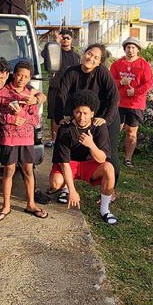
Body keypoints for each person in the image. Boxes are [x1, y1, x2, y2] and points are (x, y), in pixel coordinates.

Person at [54, 43, 120, 199]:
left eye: (96, 57)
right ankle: (68, 186)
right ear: (84, 54)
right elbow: (61, 96)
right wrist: (61, 118)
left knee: (110, 154)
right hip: (82, 114)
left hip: (105, 115)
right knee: (72, 144)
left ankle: (110, 190)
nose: (91, 58)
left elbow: (114, 97)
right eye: (89, 54)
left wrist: (105, 119)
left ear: (99, 62)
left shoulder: (102, 72)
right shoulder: (72, 72)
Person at [0, 57, 51, 205]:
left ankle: (31, 204)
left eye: (26, 76)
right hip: (8, 138)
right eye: (19, 75)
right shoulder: (1, 92)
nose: (22, 79)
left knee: (28, 170)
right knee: (8, 170)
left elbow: (35, 120)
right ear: (13, 74)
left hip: (27, 139)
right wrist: (11, 118)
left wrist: (23, 113)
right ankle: (6, 205)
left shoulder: (31, 96)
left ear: (29, 78)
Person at [49, 90, 117, 225]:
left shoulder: (99, 127)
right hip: (70, 163)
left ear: (92, 113)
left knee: (109, 168)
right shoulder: (65, 128)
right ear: (73, 112)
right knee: (55, 183)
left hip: (89, 164)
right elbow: (64, 163)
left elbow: (102, 159)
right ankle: (66, 188)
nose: (81, 117)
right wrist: (73, 191)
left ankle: (105, 209)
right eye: (78, 112)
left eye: (85, 113)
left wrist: (91, 145)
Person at [110, 37, 153, 168]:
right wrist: (120, 82)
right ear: (124, 49)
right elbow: (110, 82)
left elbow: (149, 83)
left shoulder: (144, 65)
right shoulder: (117, 64)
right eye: (128, 47)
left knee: (131, 131)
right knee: (114, 129)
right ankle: (110, 154)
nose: (130, 50)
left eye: (133, 47)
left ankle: (128, 158)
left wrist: (135, 91)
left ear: (138, 50)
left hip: (135, 104)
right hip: (118, 103)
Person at [44, 29, 81, 147]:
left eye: (67, 38)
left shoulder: (76, 56)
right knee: (54, 114)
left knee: (72, 113)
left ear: (71, 40)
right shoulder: (55, 51)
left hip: (71, 89)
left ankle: (70, 137)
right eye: (63, 38)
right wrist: (55, 42)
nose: (65, 40)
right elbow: (43, 54)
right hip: (56, 87)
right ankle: (54, 139)